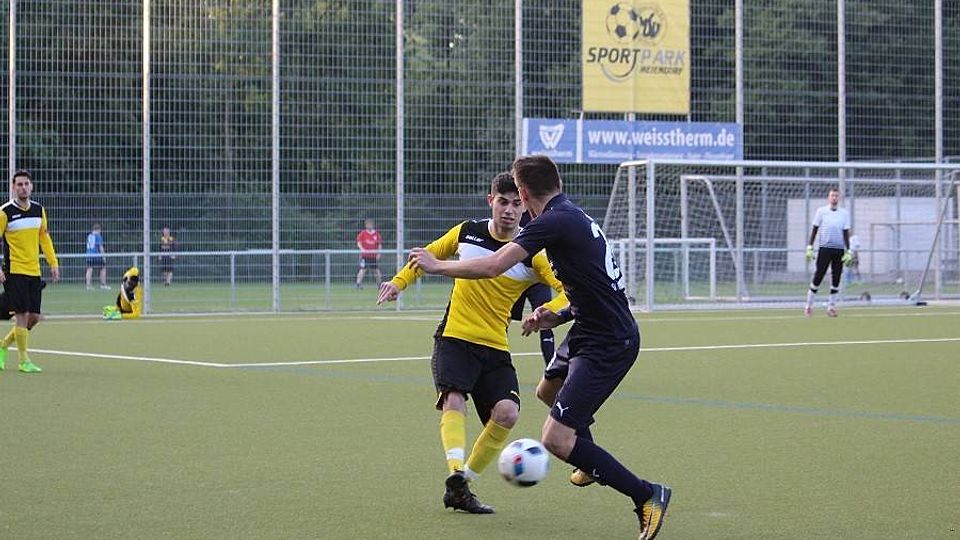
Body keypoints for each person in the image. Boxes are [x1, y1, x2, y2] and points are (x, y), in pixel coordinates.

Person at [409, 155, 671, 540]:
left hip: (609, 342)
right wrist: (555, 316)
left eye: (518, 197)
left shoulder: (552, 222)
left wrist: (437, 266)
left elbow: (493, 266)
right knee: (547, 390)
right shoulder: (569, 216)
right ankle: (588, 459)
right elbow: (591, 286)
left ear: (525, 192)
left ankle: (646, 494)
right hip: (588, 329)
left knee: (555, 439)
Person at [377, 172, 567, 515]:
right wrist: (398, 282)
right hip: (455, 337)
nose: (509, 210)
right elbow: (428, 256)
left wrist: (545, 311)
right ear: (490, 201)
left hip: (495, 345)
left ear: (524, 206)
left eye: (517, 204)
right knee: (453, 397)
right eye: (503, 202)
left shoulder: (531, 252)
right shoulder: (467, 232)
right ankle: (455, 471)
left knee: (507, 413)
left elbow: (567, 290)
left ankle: (461, 486)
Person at [0, 169, 61, 373]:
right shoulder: (4, 212)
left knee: (33, 317)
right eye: (19, 184)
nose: (23, 188)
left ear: (31, 186)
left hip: (34, 271)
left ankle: (3, 344)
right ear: (13, 187)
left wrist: (53, 262)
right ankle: (23, 360)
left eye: (26, 184)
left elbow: (44, 237)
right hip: (15, 270)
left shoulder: (38, 210)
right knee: (21, 314)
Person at [509, 210, 555, 366]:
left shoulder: (543, 214)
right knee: (501, 321)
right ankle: (493, 365)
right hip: (516, 275)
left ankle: (552, 370)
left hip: (538, 278)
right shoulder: (512, 214)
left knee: (545, 321)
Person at [804, 188, 852, 317]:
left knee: (836, 278)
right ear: (828, 197)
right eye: (832, 196)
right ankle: (809, 305)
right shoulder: (821, 211)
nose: (834, 198)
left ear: (839, 198)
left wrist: (849, 250)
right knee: (818, 276)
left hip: (839, 249)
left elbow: (846, 232)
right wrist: (810, 246)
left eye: (836, 196)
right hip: (825, 248)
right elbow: (815, 229)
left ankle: (831, 306)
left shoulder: (844, 213)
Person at [355, 218, 382, 289]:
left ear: (373, 225)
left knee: (376, 270)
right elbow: (358, 242)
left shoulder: (376, 234)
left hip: (373, 256)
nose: (369, 226)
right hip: (365, 255)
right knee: (363, 269)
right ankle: (358, 283)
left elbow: (379, 244)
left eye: (370, 224)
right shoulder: (363, 233)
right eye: (368, 224)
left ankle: (379, 284)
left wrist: (379, 253)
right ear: (366, 225)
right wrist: (362, 249)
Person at [85, 223, 110, 291]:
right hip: (96, 255)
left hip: (89, 255)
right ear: (98, 230)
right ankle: (103, 285)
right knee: (103, 268)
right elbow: (100, 247)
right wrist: (104, 256)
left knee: (89, 269)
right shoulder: (98, 236)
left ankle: (88, 286)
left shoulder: (89, 236)